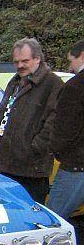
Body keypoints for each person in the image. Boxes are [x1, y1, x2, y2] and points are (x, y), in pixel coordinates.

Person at [0, 38, 63, 203]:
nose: (20, 65)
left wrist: (35, 148)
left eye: (25, 61)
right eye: (16, 62)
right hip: (5, 165)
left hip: (31, 170)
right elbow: (3, 113)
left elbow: (55, 122)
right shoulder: (15, 82)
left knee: (30, 212)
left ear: (37, 59)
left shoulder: (52, 84)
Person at [47, 39, 84, 217]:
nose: (70, 67)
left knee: (54, 219)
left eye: (71, 61)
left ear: (82, 56)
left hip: (75, 166)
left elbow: (64, 129)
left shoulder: (75, 87)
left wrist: (56, 150)